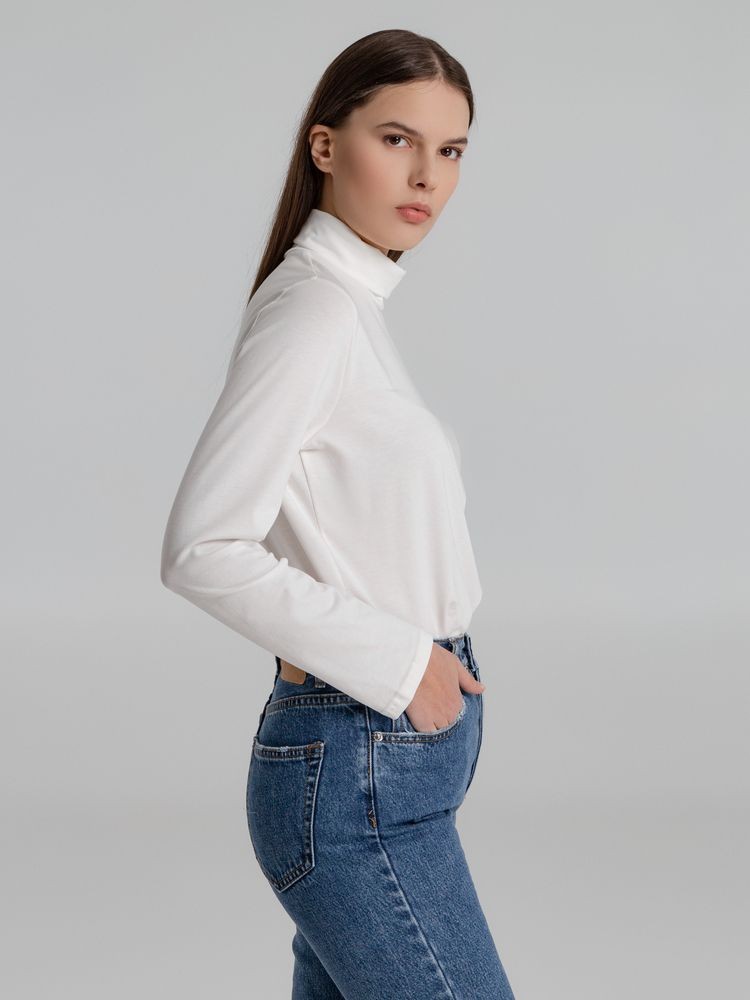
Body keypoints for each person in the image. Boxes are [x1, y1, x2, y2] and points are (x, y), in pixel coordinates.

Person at [160, 28, 516, 1000]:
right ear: (326, 145)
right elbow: (203, 547)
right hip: (359, 770)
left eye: (451, 150)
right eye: (397, 139)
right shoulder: (313, 312)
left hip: (383, 768)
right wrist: (405, 664)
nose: (428, 175)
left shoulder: (353, 310)